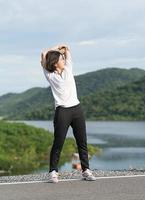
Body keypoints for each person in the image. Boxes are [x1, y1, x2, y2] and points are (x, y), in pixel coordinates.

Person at [40, 44, 96, 183]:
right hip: (62, 111)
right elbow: (43, 54)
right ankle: (53, 172)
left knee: (82, 142)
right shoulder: (50, 75)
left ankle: (86, 170)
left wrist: (62, 49)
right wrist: (55, 49)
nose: (64, 60)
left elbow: (67, 48)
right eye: (61, 59)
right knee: (58, 142)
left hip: (77, 109)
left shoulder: (68, 69)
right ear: (55, 62)